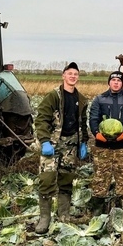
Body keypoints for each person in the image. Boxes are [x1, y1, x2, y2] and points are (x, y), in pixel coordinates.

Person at [33, 62, 89, 234]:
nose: (73, 76)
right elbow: (41, 119)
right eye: (70, 73)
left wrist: (84, 142)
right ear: (63, 76)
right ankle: (45, 218)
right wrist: (44, 141)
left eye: (76, 74)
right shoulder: (54, 96)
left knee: (66, 179)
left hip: (71, 145)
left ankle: (63, 214)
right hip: (53, 143)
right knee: (47, 179)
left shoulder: (81, 99)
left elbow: (82, 124)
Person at [88, 70, 123, 212]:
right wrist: (96, 133)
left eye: (119, 81)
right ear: (109, 82)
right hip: (103, 147)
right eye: (113, 80)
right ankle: (97, 210)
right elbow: (93, 118)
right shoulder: (99, 99)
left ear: (122, 83)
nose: (116, 83)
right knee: (100, 177)